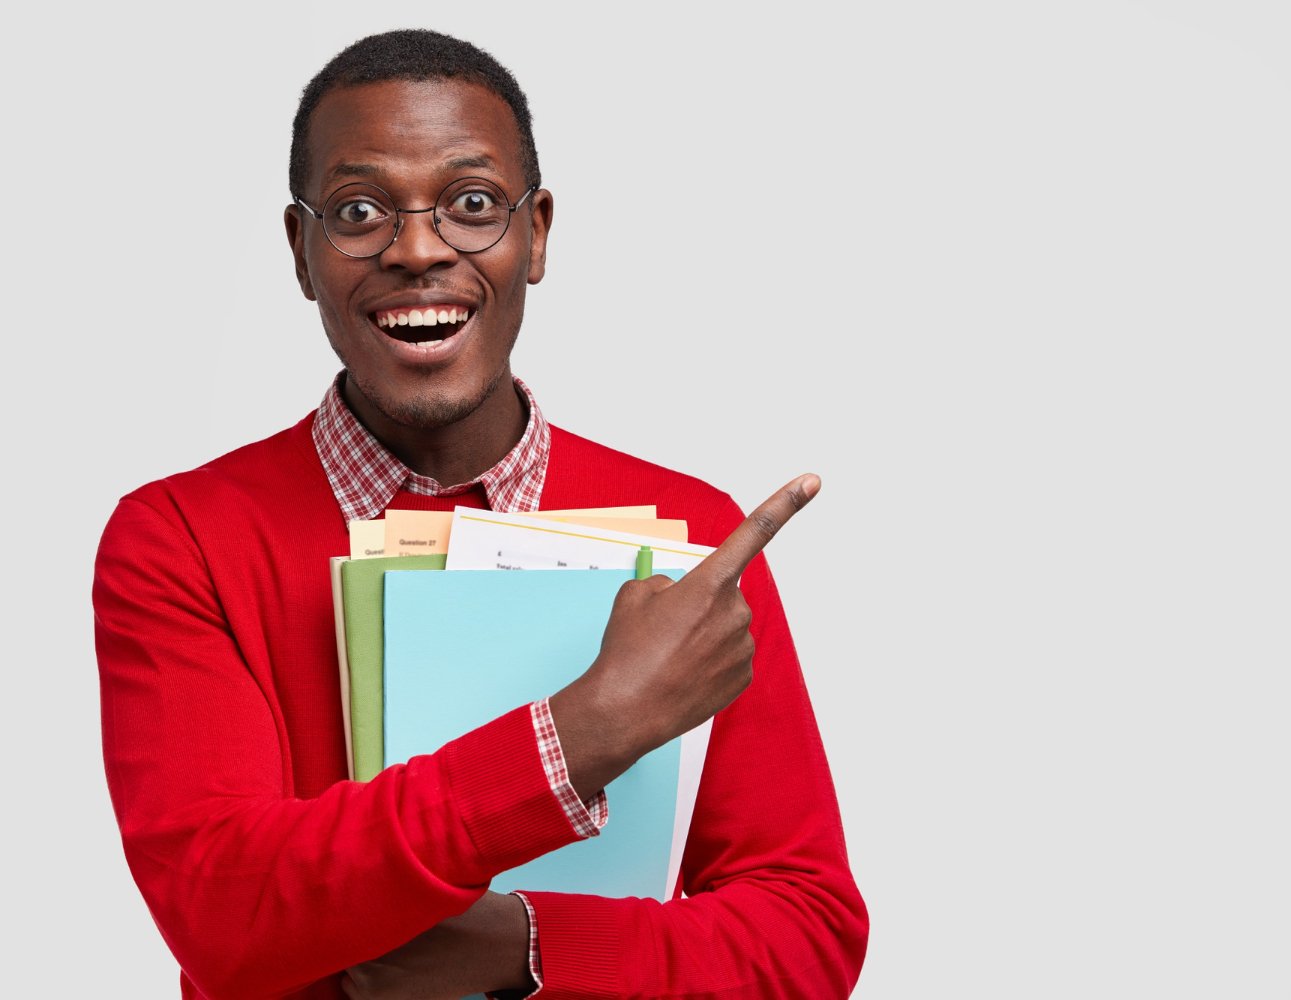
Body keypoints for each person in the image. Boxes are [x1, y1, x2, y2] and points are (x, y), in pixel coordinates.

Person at [92, 28, 867, 1000]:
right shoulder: (180, 540)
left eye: (470, 204)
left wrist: (528, 944)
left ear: (535, 233)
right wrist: (583, 732)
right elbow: (224, 914)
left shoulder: (689, 536)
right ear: (301, 252)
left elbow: (808, 939)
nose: (418, 249)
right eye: (359, 211)